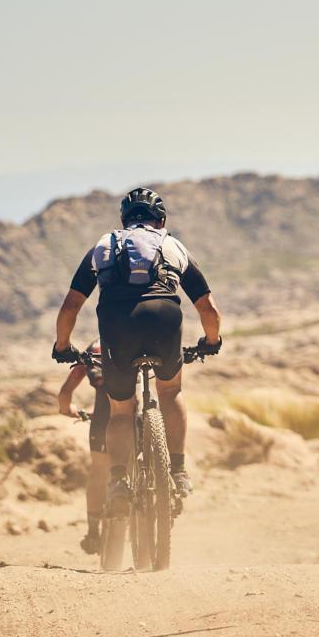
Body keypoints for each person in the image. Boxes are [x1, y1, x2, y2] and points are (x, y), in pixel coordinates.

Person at [51, 187, 222, 518]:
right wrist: (211, 342)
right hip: (163, 319)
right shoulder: (172, 245)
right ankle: (178, 471)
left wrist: (62, 347)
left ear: (123, 220)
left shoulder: (104, 246)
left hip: (117, 323)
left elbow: (70, 306)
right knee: (170, 392)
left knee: (121, 411)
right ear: (161, 221)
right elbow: (208, 309)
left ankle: (118, 480)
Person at [56, 339, 110, 554]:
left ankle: (93, 533)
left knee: (99, 472)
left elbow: (65, 394)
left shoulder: (95, 348)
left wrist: (68, 409)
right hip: (140, 411)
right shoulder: (141, 337)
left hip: (106, 417)